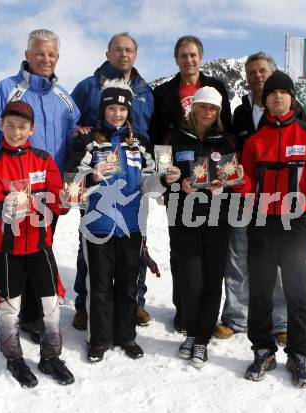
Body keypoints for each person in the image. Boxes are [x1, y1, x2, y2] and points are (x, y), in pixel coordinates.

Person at [0, 29, 81, 344]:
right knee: (10, 250)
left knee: (39, 249)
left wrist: (81, 136)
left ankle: (31, 314)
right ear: (28, 54)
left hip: (47, 187)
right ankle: (8, 305)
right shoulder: (7, 89)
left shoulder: (63, 95)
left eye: (52, 55)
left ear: (57, 58)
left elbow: (76, 128)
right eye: (40, 53)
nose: (46, 59)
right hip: (11, 189)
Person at [239, 71, 306, 388]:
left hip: (296, 223)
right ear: (265, 101)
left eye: (284, 93)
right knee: (260, 290)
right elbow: (246, 182)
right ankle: (263, 349)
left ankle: (298, 355)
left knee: (299, 292)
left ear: (291, 99)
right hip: (263, 223)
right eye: (272, 94)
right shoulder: (255, 141)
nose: (278, 97)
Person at [67, 79, 180, 362]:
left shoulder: (139, 143)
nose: (117, 114)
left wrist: (164, 179)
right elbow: (71, 183)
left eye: (122, 108)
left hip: (131, 227)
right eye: (112, 108)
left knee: (128, 285)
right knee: (100, 286)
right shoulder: (88, 141)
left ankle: (126, 336)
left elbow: (148, 184)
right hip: (98, 227)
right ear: (103, 109)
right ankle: (99, 339)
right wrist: (90, 176)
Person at [0, 101, 74, 388]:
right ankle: (14, 358)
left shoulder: (44, 159)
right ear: (1, 125)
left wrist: (69, 199)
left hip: (39, 244)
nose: (16, 132)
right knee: (10, 308)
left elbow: (59, 199)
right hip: (6, 248)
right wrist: (6, 206)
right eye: (10, 125)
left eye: (22, 127)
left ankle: (51, 356)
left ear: (32, 129)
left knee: (51, 305)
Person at [215, 52, 306, 345]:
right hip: (243, 197)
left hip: (279, 202)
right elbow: (230, 146)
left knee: (278, 262)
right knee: (238, 256)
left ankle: (280, 321)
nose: (257, 76)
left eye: (262, 70)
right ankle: (235, 316)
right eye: (252, 72)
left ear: (272, 73)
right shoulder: (240, 111)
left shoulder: (296, 110)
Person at [71, 32, 154, 329]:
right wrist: (78, 136)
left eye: (129, 49)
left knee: (135, 246)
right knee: (92, 246)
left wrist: (154, 171)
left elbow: (151, 131)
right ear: (107, 53)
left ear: (136, 54)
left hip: (133, 176)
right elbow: (73, 122)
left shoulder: (145, 91)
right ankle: (85, 303)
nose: (124, 54)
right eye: (118, 49)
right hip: (99, 179)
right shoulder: (88, 86)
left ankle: (134, 304)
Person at [149, 35, 231, 332]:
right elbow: (159, 138)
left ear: (201, 57)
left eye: (194, 54)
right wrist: (164, 178)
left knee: (209, 258)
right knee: (180, 253)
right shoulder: (163, 93)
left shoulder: (217, 87)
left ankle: (204, 313)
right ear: (176, 59)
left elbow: (227, 135)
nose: (189, 60)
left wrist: (227, 174)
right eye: (183, 55)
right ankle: (183, 308)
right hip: (178, 180)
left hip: (213, 193)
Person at [163, 86, 242, 368]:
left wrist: (223, 186)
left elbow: (235, 182)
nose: (207, 112)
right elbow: (162, 176)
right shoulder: (173, 138)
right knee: (190, 280)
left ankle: (201, 339)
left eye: (212, 108)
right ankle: (193, 331)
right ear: (192, 108)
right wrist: (177, 184)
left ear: (219, 113)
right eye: (202, 106)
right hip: (184, 218)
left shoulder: (228, 143)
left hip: (218, 218)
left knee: (212, 279)